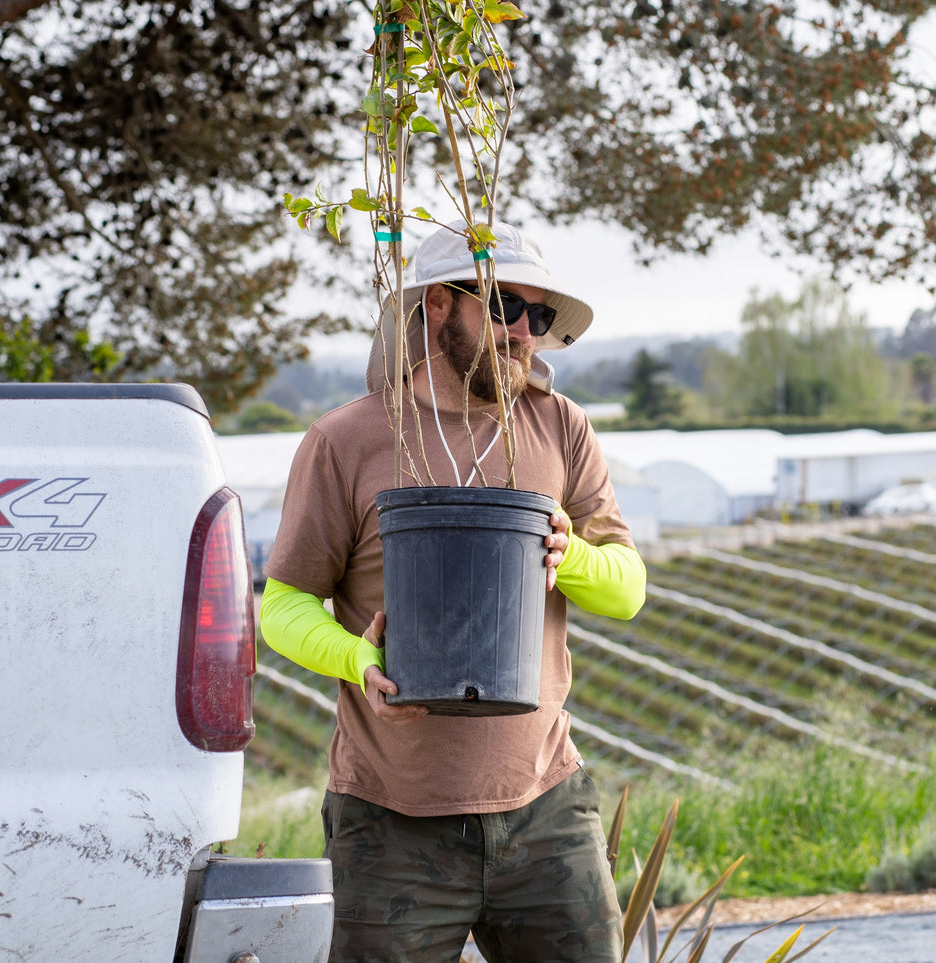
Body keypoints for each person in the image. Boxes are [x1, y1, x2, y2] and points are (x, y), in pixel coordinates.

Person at [260, 221, 646, 962]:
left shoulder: (558, 425)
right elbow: (281, 604)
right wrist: (353, 657)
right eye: (506, 308)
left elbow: (626, 588)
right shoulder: (348, 440)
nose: (524, 334)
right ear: (439, 304)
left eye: (539, 317)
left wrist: (569, 556)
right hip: (390, 816)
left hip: (544, 806)